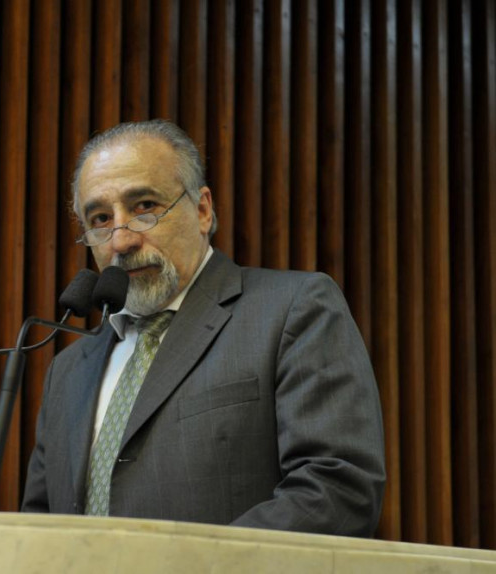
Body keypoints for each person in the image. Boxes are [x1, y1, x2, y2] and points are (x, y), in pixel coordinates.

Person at [21, 119, 386, 537]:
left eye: (144, 207)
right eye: (101, 218)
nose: (120, 242)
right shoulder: (67, 371)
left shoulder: (292, 310)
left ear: (202, 210)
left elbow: (336, 489)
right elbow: (41, 525)